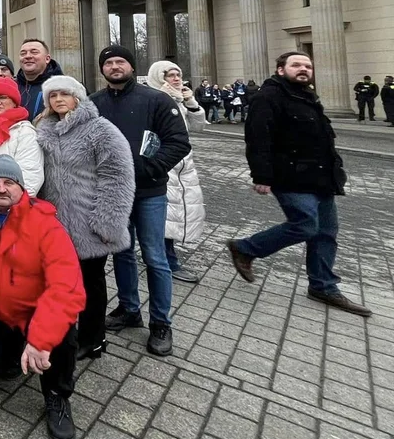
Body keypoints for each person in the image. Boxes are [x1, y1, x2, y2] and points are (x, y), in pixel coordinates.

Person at [0, 155, 85, 439]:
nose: (1, 188)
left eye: (9, 182)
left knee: (61, 333)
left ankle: (56, 397)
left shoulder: (46, 226)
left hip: (34, 312)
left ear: (22, 188)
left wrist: (40, 339)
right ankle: (14, 353)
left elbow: (68, 288)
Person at [227, 52, 371, 316]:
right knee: (305, 225)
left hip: (321, 177)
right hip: (290, 176)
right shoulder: (268, 97)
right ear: (281, 70)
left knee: (326, 233)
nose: (303, 69)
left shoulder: (307, 96)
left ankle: (323, 286)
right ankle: (245, 248)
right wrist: (261, 176)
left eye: (307, 66)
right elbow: (258, 139)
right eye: (296, 65)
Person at [91, 45, 191, 357]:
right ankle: (129, 309)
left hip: (149, 191)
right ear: (102, 69)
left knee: (155, 256)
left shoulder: (156, 99)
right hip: (112, 193)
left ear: (132, 67)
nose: (115, 67)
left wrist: (148, 168)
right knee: (120, 253)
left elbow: (178, 142)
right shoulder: (94, 103)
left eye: (121, 61)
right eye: (109, 63)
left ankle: (161, 322)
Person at [36, 76, 134, 361]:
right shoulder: (45, 128)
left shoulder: (100, 129)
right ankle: (65, 332)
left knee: (91, 282)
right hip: (55, 223)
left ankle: (94, 338)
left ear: (77, 97)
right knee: (61, 281)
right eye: (53, 96)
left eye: (64, 94)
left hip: (88, 221)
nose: (58, 100)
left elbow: (118, 176)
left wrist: (108, 222)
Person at [145, 61, 207, 285]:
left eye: (178, 74)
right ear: (159, 78)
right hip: (163, 164)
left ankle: (162, 257)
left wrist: (191, 102)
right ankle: (167, 261)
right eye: (170, 75)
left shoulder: (180, 99)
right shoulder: (154, 99)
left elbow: (199, 127)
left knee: (175, 213)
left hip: (183, 165)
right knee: (165, 216)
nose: (176, 79)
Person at [16, 39, 63, 120]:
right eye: (23, 53)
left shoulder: (66, 87)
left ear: (47, 59)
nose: (28, 56)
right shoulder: (12, 86)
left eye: (34, 52)